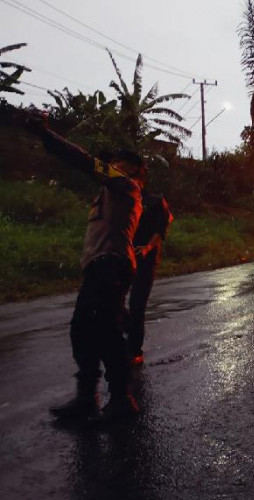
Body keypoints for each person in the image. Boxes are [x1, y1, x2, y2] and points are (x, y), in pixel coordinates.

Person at [30, 116, 144, 423]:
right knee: (83, 329)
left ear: (132, 169)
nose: (111, 165)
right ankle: (88, 398)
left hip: (111, 267)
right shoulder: (108, 193)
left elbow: (87, 163)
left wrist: (49, 137)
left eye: (118, 161)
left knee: (104, 330)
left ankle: (120, 399)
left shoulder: (126, 185)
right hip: (100, 268)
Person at [126, 190, 173, 366]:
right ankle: (124, 337)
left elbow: (161, 230)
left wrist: (146, 248)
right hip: (124, 254)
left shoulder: (155, 200)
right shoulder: (123, 195)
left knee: (137, 303)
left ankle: (134, 351)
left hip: (145, 258)